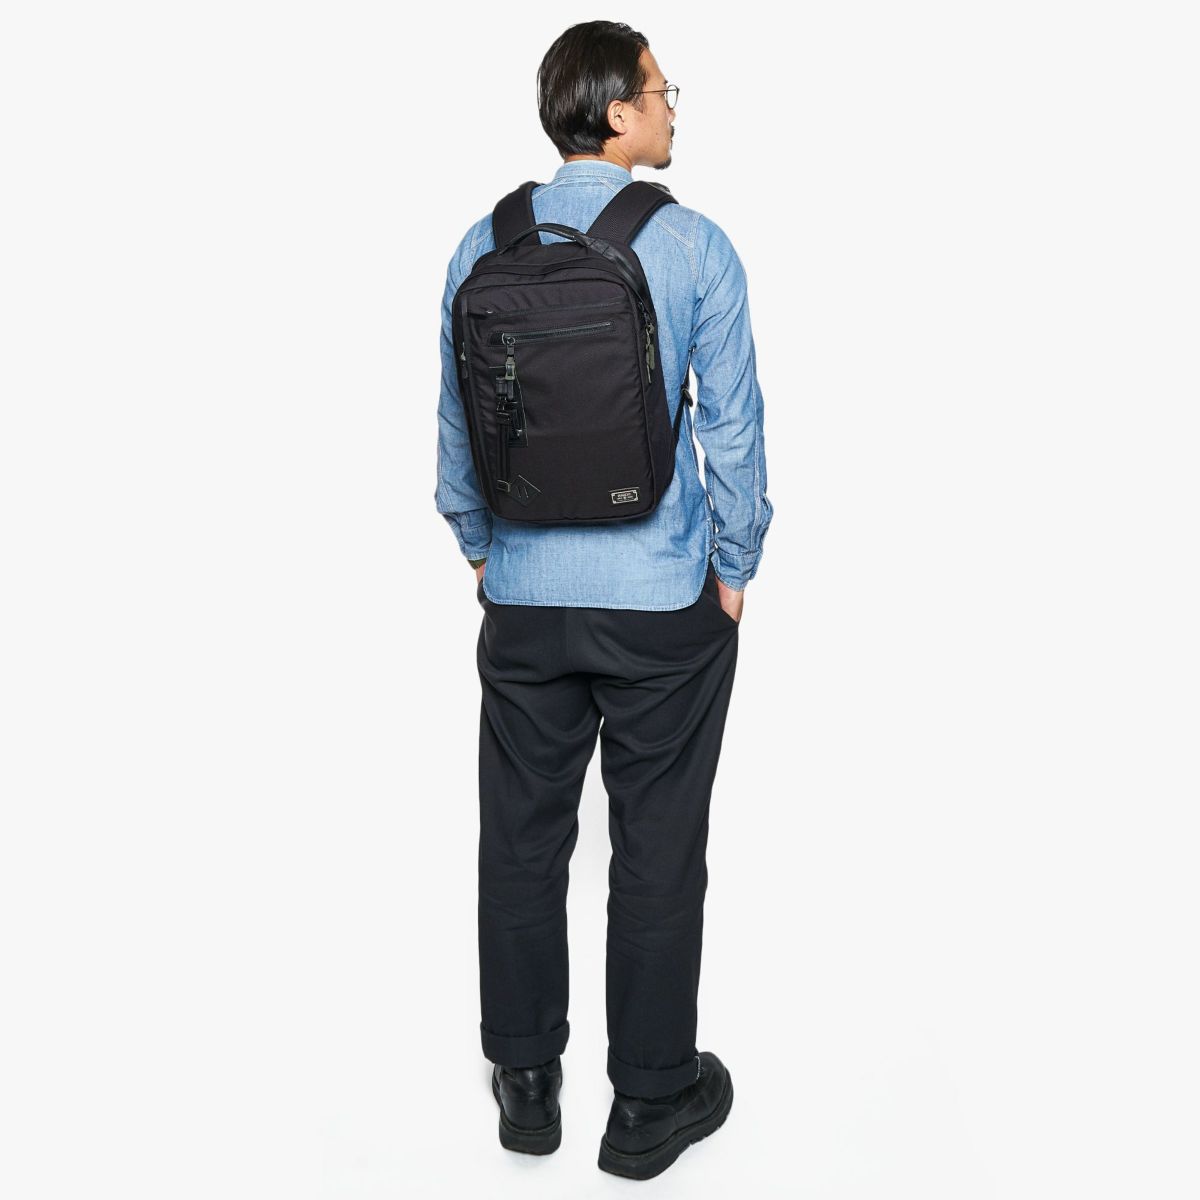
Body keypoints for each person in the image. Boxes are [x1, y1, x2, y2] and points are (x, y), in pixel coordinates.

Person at [434, 20, 774, 1180]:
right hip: (662, 602)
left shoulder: (483, 242)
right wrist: (735, 569)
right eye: (662, 90)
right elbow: (733, 428)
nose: (674, 107)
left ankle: (525, 1086)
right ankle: (650, 1101)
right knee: (658, 849)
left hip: (526, 598)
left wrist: (483, 552)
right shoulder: (694, 245)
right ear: (616, 112)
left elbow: (457, 427)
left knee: (522, 841)